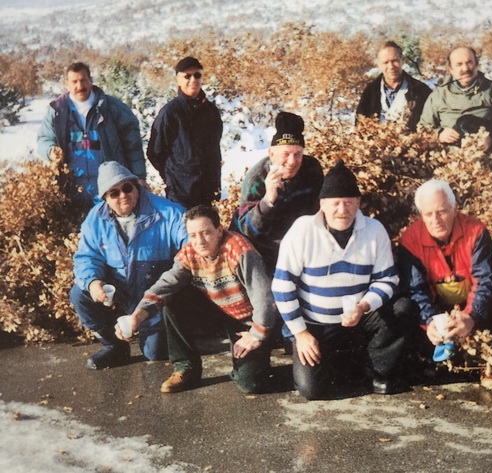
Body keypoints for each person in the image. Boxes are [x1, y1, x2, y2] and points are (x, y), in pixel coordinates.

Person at [272, 160, 412, 400]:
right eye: (335, 203)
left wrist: (363, 306)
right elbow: (282, 286)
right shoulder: (302, 230)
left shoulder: (374, 230)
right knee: (312, 390)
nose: (342, 210)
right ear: (322, 204)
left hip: (358, 318)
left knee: (402, 308)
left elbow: (388, 280)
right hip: (314, 325)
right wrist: (300, 334)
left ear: (358, 203)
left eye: (349, 202)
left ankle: (377, 371)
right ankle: (339, 362)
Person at [116, 205, 278, 394]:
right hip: (215, 310)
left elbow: (264, 297)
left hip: (244, 318)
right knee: (173, 298)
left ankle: (251, 367)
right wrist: (137, 315)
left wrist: (256, 334)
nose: (199, 241)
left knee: (251, 384)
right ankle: (186, 368)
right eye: (193, 235)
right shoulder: (191, 251)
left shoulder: (239, 250)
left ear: (219, 230)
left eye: (205, 233)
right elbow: (166, 283)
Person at [70, 161, 187, 370]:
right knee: (79, 294)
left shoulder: (170, 212)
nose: (123, 195)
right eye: (114, 193)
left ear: (137, 186)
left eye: (127, 188)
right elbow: (86, 257)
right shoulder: (94, 219)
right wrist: (93, 283)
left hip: (156, 292)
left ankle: (177, 332)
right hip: (121, 288)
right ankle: (113, 346)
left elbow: (189, 250)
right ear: (105, 198)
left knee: (154, 352)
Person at [398, 180, 492, 367]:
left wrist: (471, 316)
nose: (435, 220)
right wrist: (429, 321)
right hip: (436, 310)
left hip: (470, 306)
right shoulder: (411, 239)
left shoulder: (475, 231)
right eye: (428, 214)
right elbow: (416, 289)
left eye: (442, 211)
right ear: (421, 215)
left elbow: (485, 280)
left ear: (454, 208)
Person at [37, 62, 146, 208]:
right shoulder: (57, 111)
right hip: (72, 187)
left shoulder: (112, 108)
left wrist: (139, 176)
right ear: (67, 84)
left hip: (109, 188)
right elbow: (44, 138)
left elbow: (133, 146)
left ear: (91, 80)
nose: (79, 86)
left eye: (83, 80)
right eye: (74, 81)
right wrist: (50, 151)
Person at [233, 111, 323, 274]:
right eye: (286, 154)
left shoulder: (312, 169)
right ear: (271, 153)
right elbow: (246, 230)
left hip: (305, 246)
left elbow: (321, 209)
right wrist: (268, 201)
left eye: (298, 154)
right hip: (267, 251)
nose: (292, 161)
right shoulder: (257, 179)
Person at [147, 56, 223, 209]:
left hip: (208, 190)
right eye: (187, 76)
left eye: (197, 75)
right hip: (181, 194)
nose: (193, 80)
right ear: (178, 80)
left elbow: (215, 148)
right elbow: (155, 152)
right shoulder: (170, 112)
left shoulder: (211, 111)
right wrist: (174, 177)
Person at [420, 46, 492, 151]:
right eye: (459, 64)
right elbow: (422, 129)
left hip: (489, 160)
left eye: (469, 62)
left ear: (476, 64)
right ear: (451, 69)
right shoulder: (438, 96)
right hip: (449, 162)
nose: (465, 69)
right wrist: (439, 134)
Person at [356, 40, 431, 130]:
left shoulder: (421, 91)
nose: (391, 66)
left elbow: (430, 124)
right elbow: (360, 126)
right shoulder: (370, 92)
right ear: (378, 64)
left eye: (395, 61)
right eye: (386, 62)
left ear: (402, 60)